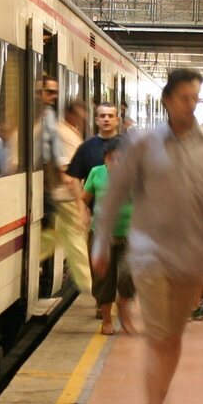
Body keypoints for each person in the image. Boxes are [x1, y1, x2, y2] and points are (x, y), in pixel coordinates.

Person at [92, 68, 203, 404]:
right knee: (159, 335)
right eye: (184, 97)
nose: (191, 105)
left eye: (195, 98)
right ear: (167, 99)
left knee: (173, 338)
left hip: (192, 255)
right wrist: (101, 243)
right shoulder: (144, 143)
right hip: (149, 253)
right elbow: (115, 193)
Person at [83, 137, 134, 335]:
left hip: (129, 237)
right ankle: (106, 320)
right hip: (101, 237)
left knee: (128, 277)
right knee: (103, 281)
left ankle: (123, 308)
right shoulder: (96, 173)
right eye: (113, 159)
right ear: (105, 159)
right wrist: (83, 211)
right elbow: (84, 198)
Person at [51, 97, 93, 295]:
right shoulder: (63, 133)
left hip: (68, 195)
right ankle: (90, 286)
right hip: (67, 195)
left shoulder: (70, 131)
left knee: (64, 236)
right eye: (79, 115)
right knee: (76, 239)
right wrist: (80, 202)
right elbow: (69, 173)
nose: (82, 119)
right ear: (70, 114)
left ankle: (38, 254)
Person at [67, 102, 120, 187]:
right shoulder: (86, 147)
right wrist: (80, 199)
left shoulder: (128, 145)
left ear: (117, 120)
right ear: (96, 121)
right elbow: (75, 176)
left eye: (110, 116)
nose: (106, 119)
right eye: (102, 116)